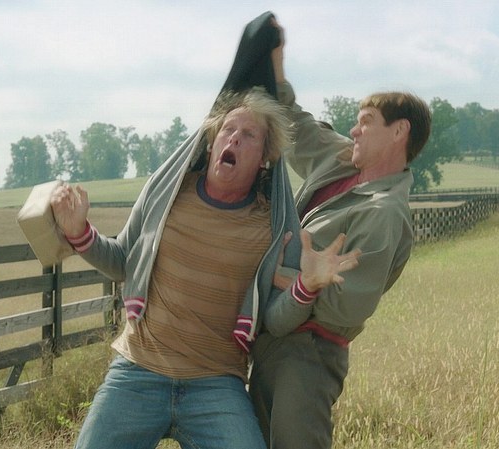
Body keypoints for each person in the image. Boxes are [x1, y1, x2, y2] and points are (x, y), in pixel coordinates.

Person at [51, 20, 360, 449]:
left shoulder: (271, 228)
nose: (233, 139)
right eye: (227, 130)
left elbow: (275, 319)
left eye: (248, 135)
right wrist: (78, 232)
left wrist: (306, 285)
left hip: (216, 385)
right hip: (137, 372)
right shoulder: (167, 196)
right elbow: (122, 261)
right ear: (212, 144)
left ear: (264, 159)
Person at [248, 21, 433, 449]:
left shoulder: (384, 214)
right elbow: (296, 127)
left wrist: (278, 277)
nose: (354, 130)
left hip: (308, 354)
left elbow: (342, 308)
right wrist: (276, 64)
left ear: (399, 132)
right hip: (273, 339)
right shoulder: (341, 160)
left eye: (366, 121)